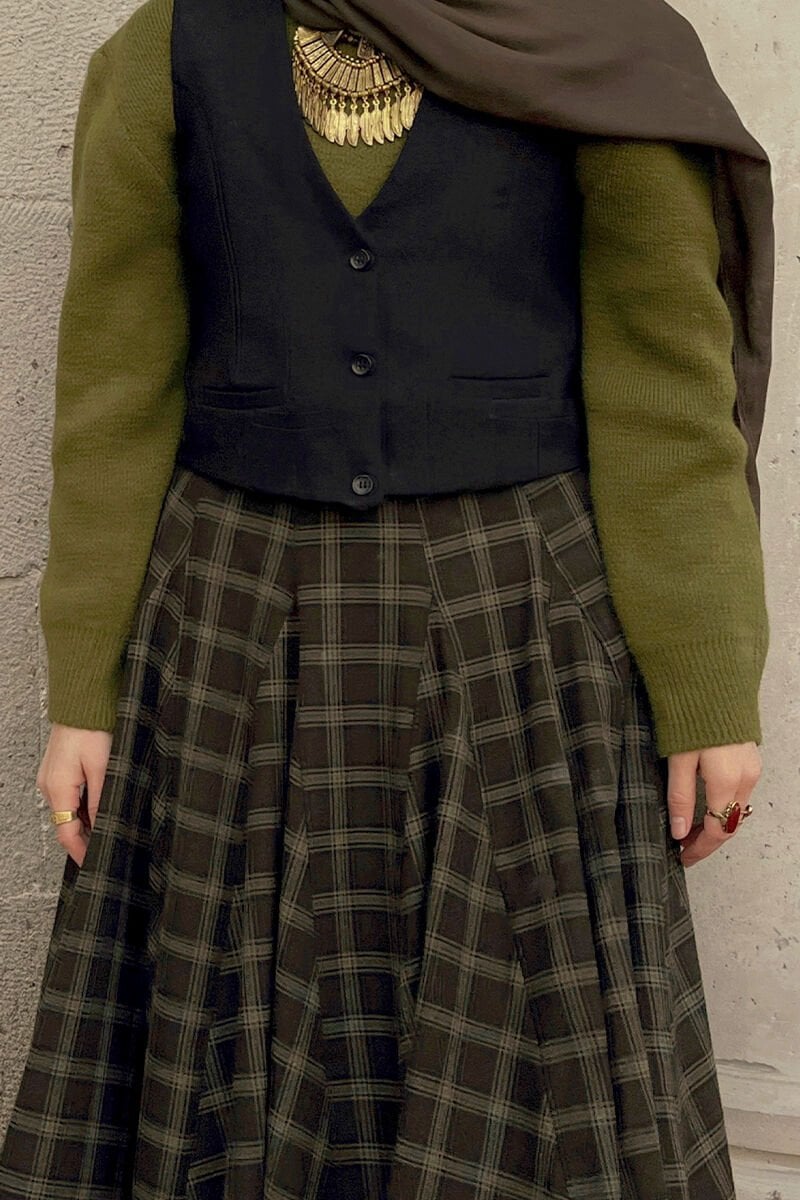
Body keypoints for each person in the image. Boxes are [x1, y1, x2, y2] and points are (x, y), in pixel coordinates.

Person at [0, 0, 773, 1196]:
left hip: (518, 634)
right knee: (236, 1030)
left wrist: (706, 691)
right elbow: (114, 390)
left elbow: (663, 394)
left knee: (526, 1057)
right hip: (234, 631)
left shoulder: (607, 48)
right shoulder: (169, 47)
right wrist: (82, 694)